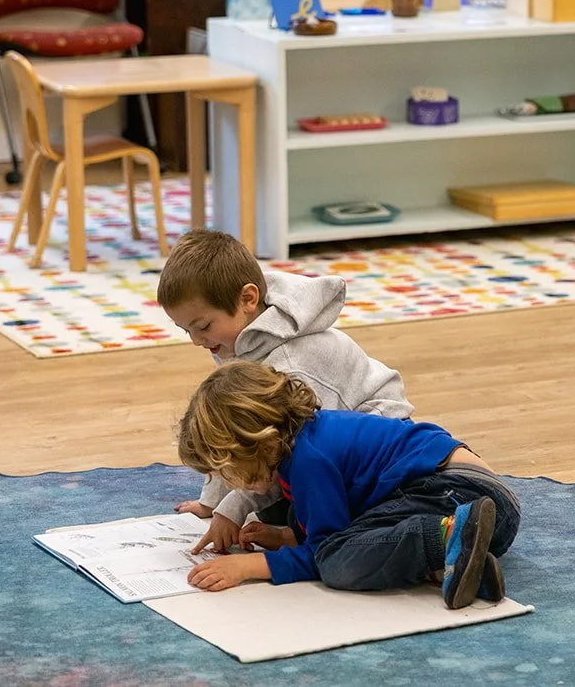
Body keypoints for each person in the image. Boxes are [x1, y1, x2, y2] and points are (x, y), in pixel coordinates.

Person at [177, 361, 520, 608]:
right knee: (298, 514)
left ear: (255, 444)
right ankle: (463, 562)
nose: (226, 481)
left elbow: (325, 550)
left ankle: (446, 538)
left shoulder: (308, 458)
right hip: (481, 507)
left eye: (226, 471)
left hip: (455, 492)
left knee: (336, 562)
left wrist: (248, 567)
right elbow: (343, 510)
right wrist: (288, 536)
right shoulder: (307, 438)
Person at [157, 229, 411, 553]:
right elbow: (231, 427)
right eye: (186, 330)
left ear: (248, 299)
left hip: (381, 455)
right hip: (316, 447)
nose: (196, 340)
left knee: (315, 522)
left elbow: (287, 452)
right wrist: (212, 503)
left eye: (203, 326)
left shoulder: (291, 365)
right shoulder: (236, 341)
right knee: (268, 509)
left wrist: (232, 509)